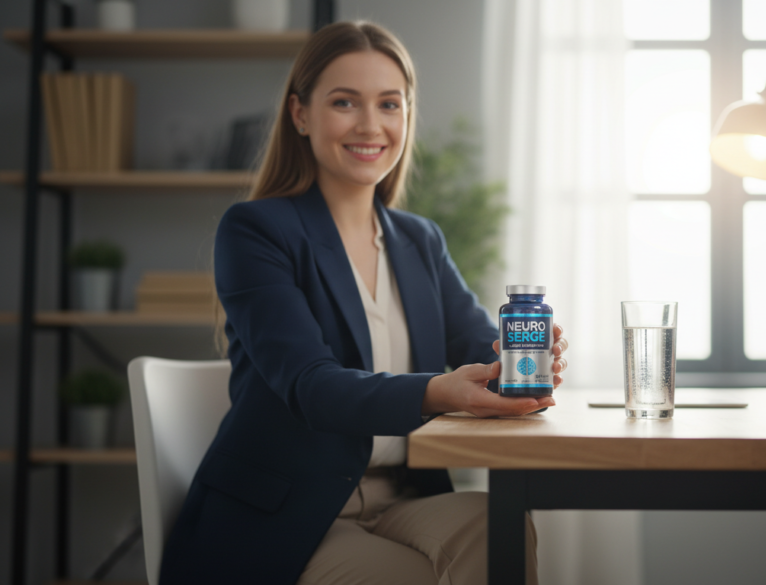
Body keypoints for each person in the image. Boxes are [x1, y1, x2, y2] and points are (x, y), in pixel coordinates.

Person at [158, 21, 567, 585]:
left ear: (406, 116)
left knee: (500, 531)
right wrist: (438, 390)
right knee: (411, 576)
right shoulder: (256, 230)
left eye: (389, 104)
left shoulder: (420, 239)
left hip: (403, 499)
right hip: (290, 516)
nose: (370, 125)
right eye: (345, 102)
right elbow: (313, 386)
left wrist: (522, 361)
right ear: (301, 114)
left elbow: (478, 343)